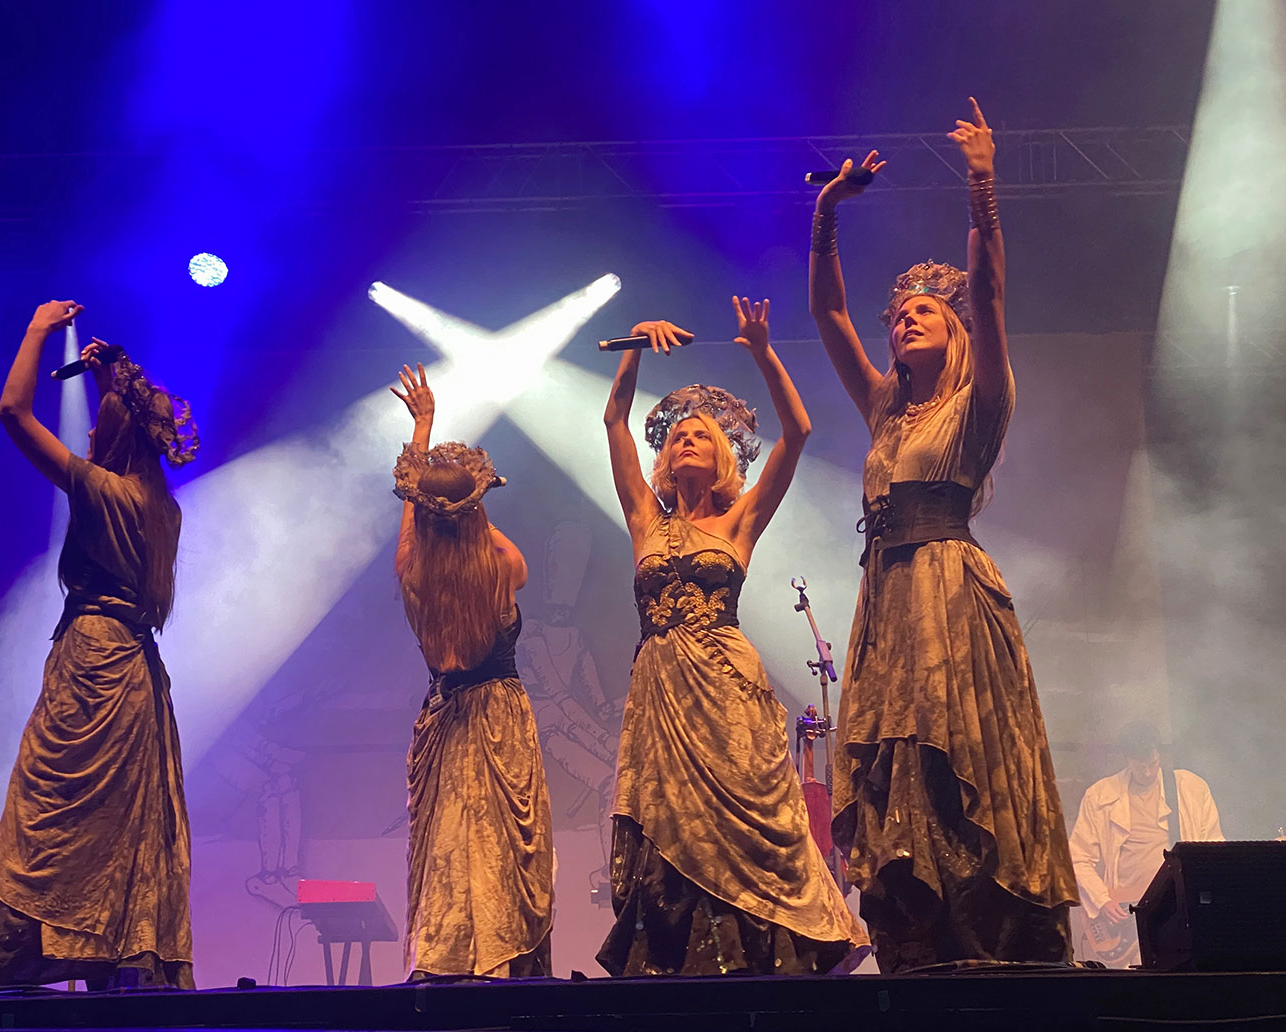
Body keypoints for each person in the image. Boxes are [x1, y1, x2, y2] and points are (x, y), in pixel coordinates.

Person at [807, 99, 1078, 971]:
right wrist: (827, 212)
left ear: (954, 330)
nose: (906, 319)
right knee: (894, 762)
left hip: (950, 592)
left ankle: (987, 931)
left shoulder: (979, 403)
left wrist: (983, 183)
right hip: (886, 600)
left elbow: (989, 288)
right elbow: (828, 317)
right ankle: (915, 934)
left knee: (957, 749)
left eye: (925, 310)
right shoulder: (886, 410)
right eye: (899, 315)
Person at [597, 297, 864, 977]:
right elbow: (615, 422)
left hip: (726, 685)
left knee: (750, 811)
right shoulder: (645, 519)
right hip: (662, 688)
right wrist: (634, 345)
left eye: (700, 435)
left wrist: (764, 352)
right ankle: (678, 959)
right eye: (677, 436)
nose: (686, 440)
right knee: (671, 817)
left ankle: (770, 953)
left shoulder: (739, 521)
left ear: (720, 455)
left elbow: (797, 432)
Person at [0, 300, 200, 990]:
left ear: (115, 437)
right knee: (118, 826)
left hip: (92, 663)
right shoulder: (162, 508)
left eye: (101, 423)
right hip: (136, 678)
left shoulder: (102, 492)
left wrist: (37, 329)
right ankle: (117, 965)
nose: (91, 429)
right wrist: (109, 381)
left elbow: (13, 413)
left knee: (41, 812)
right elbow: (123, 440)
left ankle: (7, 969)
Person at [390, 362, 555, 978]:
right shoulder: (503, 566)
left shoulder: (413, 572)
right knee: (499, 842)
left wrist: (422, 430)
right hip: (498, 715)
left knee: (448, 843)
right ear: (476, 512)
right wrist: (470, 504)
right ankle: (504, 964)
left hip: (444, 716)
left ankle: (447, 960)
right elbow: (494, 542)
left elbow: (414, 521)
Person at [1068, 721, 1223, 967]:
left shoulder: (1190, 789)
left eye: (1153, 764)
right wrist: (1101, 901)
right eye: (1141, 767)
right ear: (1127, 759)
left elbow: (1213, 849)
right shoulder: (1100, 796)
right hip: (1123, 914)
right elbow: (1078, 858)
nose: (1149, 772)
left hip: (1174, 909)